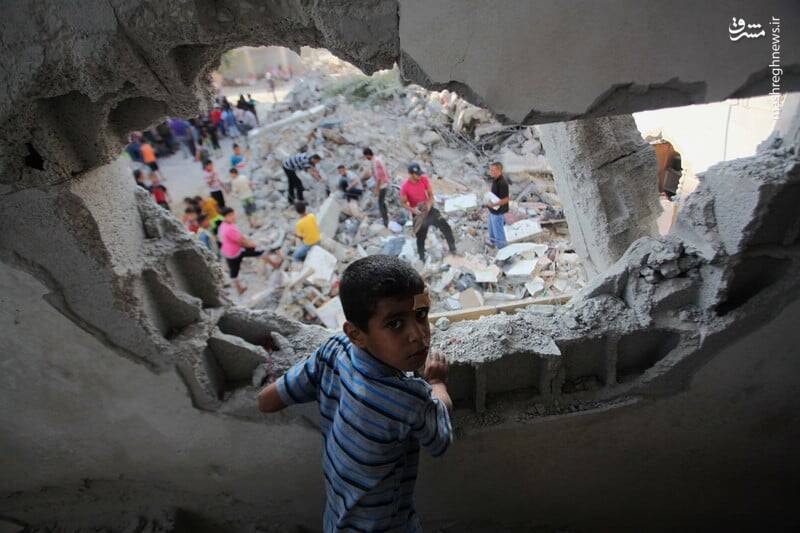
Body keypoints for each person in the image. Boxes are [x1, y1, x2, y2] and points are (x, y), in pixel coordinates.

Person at [257, 254, 453, 532]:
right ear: (357, 334)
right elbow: (440, 441)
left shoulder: (334, 348)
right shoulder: (408, 398)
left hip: (337, 517)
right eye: (395, 324)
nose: (419, 335)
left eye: (421, 314)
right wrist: (437, 383)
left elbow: (267, 402)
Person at [400, 163, 457, 262]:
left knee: (445, 226)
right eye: (417, 174)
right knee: (420, 237)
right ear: (411, 174)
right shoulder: (405, 187)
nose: (419, 175)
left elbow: (430, 195)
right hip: (417, 213)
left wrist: (429, 204)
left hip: (428, 208)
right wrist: (413, 210)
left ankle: (453, 250)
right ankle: (422, 259)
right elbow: (403, 203)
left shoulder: (423, 179)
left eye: (420, 173)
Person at [217, 207, 281, 294]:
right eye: (230, 215)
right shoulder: (229, 229)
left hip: (227, 252)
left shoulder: (223, 225)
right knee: (259, 251)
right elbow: (241, 242)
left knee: (234, 270)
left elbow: (239, 237)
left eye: (233, 214)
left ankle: (239, 289)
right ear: (225, 217)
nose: (233, 217)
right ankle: (274, 264)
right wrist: (252, 244)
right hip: (236, 251)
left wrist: (248, 242)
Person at [362, 147, 390, 227]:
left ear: (368, 155)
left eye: (365, 156)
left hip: (382, 185)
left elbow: (379, 178)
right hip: (384, 183)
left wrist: (376, 190)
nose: (365, 158)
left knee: (380, 204)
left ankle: (385, 223)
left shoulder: (376, 162)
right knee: (382, 203)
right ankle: (386, 219)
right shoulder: (377, 159)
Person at [486, 161, 510, 249]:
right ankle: (492, 243)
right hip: (492, 210)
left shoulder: (503, 183)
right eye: (490, 170)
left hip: (498, 211)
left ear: (499, 170)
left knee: (498, 232)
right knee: (491, 229)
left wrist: (493, 204)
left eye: (493, 170)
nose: (490, 172)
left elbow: (506, 199)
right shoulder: (495, 180)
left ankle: (503, 250)